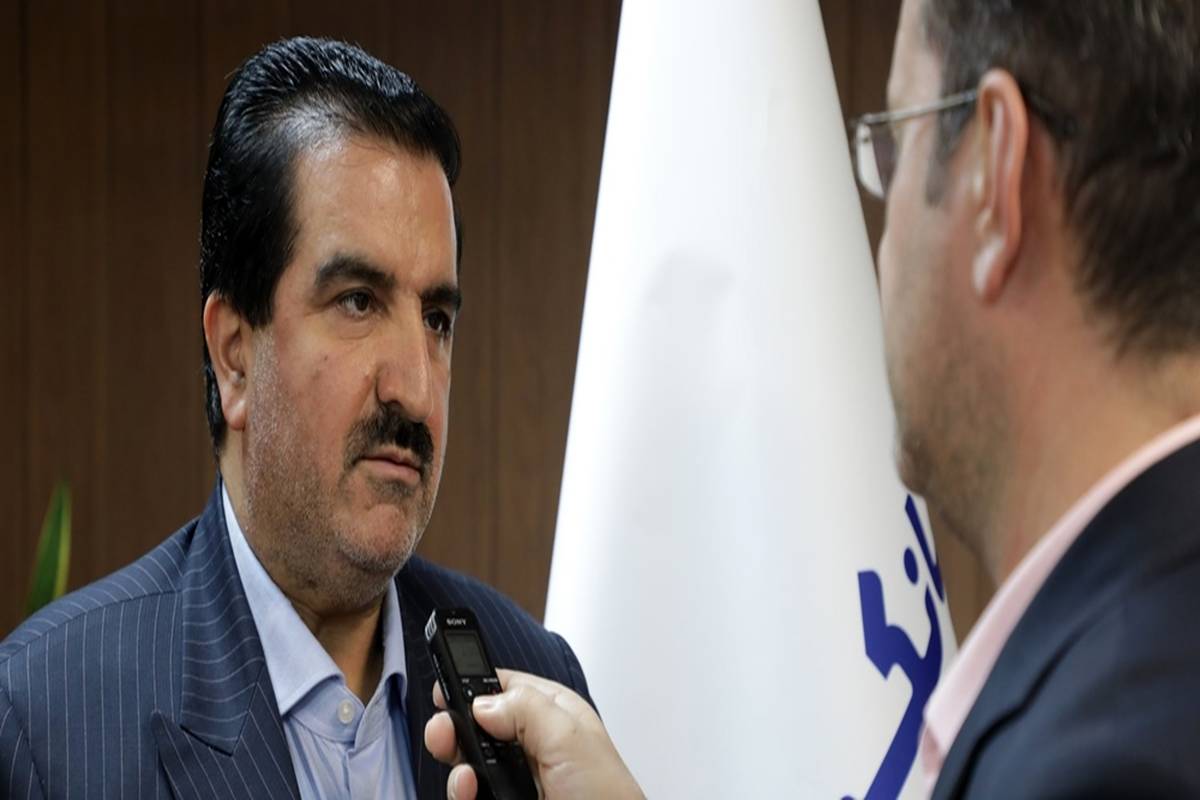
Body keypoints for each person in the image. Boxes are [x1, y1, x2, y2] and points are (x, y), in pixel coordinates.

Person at [427, 0, 1200, 797]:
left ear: (995, 173)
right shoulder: (1138, 654)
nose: (884, 245)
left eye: (895, 148)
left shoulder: (1111, 756)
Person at [0, 37, 590, 800]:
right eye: (358, 302)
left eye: (436, 319)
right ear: (234, 356)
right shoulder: (46, 720)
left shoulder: (540, 683)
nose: (416, 389)